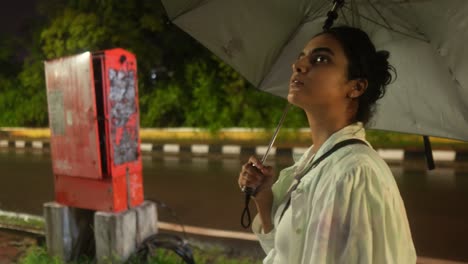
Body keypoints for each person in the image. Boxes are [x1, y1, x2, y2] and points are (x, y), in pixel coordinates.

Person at [238, 26, 416, 263]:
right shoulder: (317, 161)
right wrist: (263, 197)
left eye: (321, 59)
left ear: (356, 87)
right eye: (301, 57)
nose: (298, 66)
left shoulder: (353, 173)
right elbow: (287, 253)